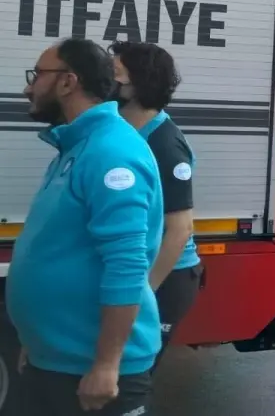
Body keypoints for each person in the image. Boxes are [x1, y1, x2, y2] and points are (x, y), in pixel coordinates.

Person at [11, 38, 163, 415]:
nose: (29, 87)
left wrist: (107, 365)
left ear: (68, 82)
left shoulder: (111, 151)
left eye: (37, 75)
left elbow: (126, 265)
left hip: (89, 369)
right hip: (55, 360)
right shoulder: (76, 146)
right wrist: (37, 340)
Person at [110, 41, 202, 370]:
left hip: (166, 278)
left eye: (114, 72)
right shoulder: (123, 130)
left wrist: (142, 294)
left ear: (138, 83)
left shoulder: (164, 144)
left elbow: (180, 230)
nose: (106, 80)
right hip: (135, 273)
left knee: (130, 374)